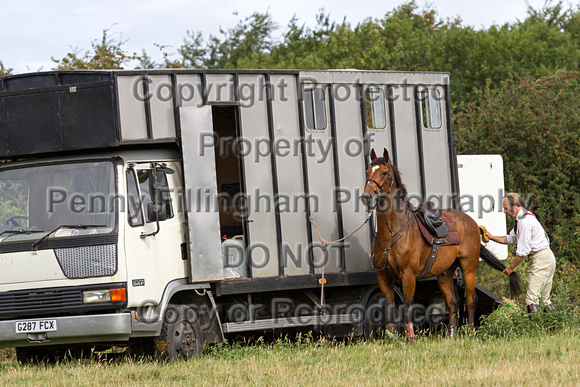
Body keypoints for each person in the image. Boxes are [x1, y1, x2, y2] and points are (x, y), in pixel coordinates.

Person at [485, 193, 556, 313]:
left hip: (541, 259)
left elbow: (523, 252)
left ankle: (533, 330)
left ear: (516, 206)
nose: (504, 211)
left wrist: (510, 268)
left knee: (531, 300)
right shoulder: (523, 218)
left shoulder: (524, 222)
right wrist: (491, 237)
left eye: (506, 208)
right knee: (545, 300)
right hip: (547, 257)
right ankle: (553, 327)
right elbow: (511, 238)